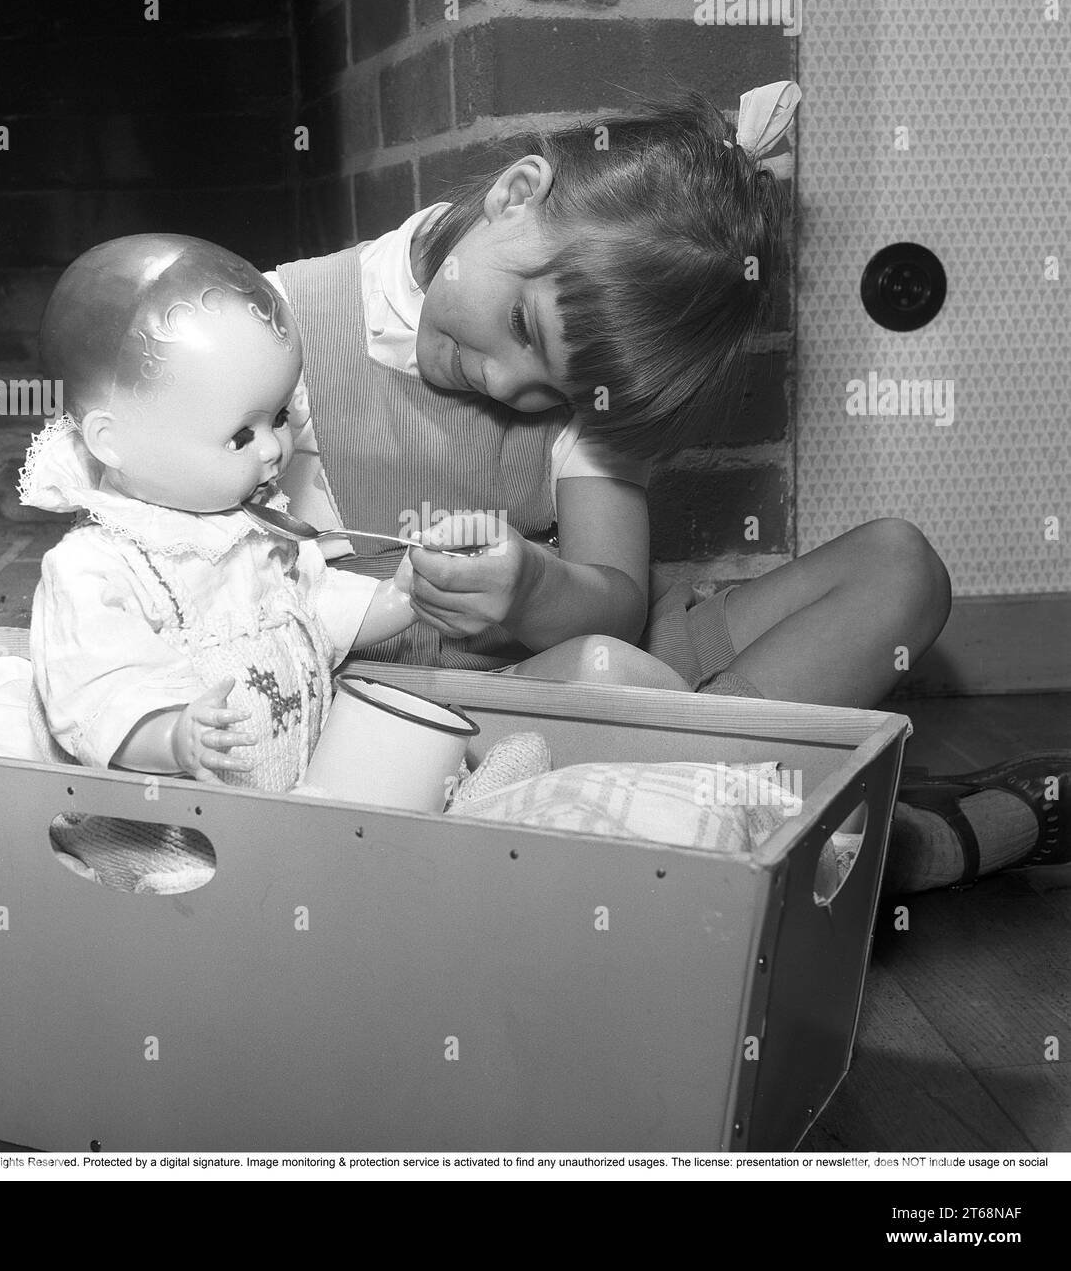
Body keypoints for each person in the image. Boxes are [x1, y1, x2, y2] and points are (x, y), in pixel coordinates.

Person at [264, 80, 1069, 892]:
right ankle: (897, 841)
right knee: (603, 676)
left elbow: (617, 599)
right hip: (463, 713)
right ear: (515, 195)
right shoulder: (277, 327)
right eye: (522, 327)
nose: (508, 385)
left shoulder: (596, 389)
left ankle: (699, 793)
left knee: (903, 566)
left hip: (641, 667)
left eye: (558, 391)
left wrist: (531, 586)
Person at [20, 234, 417, 793]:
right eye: (239, 436)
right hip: (181, 827)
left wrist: (405, 595)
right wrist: (172, 738)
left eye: (279, 416)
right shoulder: (96, 569)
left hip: (293, 794)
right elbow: (99, 693)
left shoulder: (256, 527)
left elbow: (311, 612)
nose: (274, 449)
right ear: (113, 442)